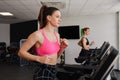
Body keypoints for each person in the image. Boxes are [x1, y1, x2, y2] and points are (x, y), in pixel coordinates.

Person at [18, 5, 68, 80]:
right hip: (43, 70)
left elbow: (55, 57)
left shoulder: (57, 35)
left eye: (60, 17)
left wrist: (62, 48)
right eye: (57, 16)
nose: (60, 19)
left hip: (54, 69)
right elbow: (21, 52)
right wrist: (38, 58)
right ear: (49, 18)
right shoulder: (37, 35)